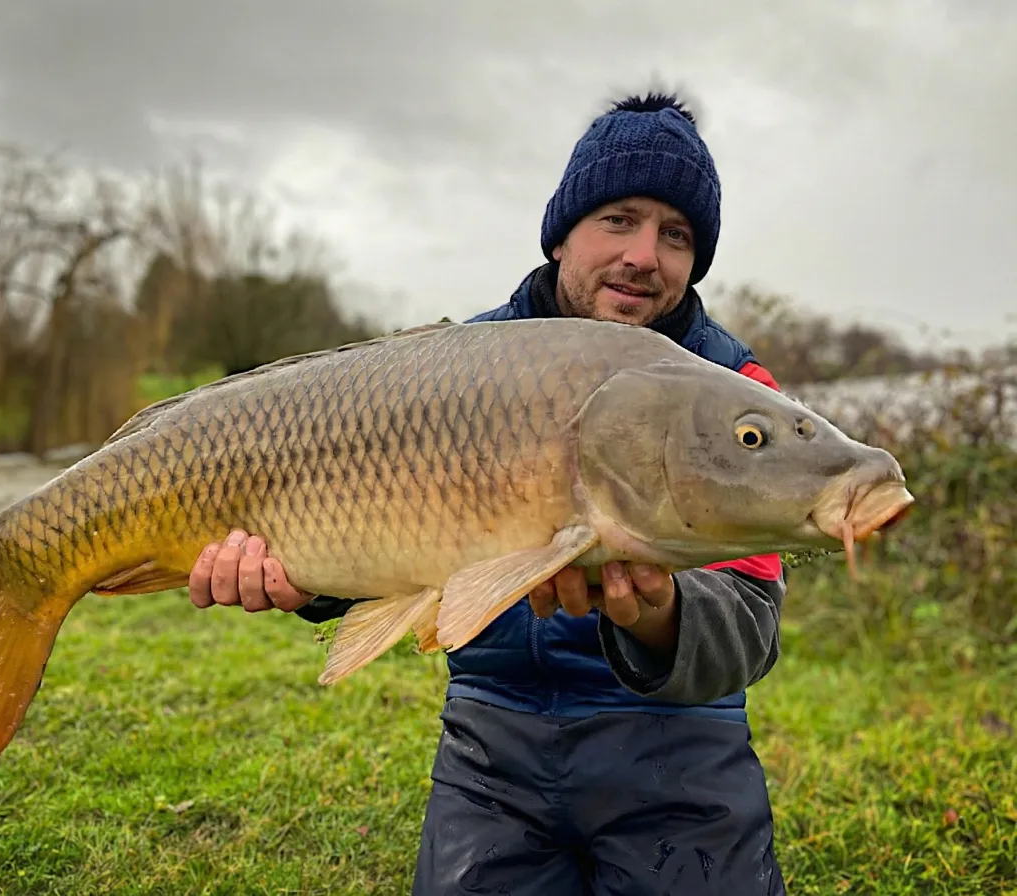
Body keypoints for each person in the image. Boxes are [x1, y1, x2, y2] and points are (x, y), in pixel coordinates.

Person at [187, 92, 788, 895]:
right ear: (562, 232)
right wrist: (302, 582)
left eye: (676, 235)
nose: (645, 255)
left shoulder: (736, 396)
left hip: (680, 743)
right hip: (494, 739)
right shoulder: (461, 365)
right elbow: (361, 519)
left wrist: (657, 614)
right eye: (620, 218)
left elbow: (751, 628)